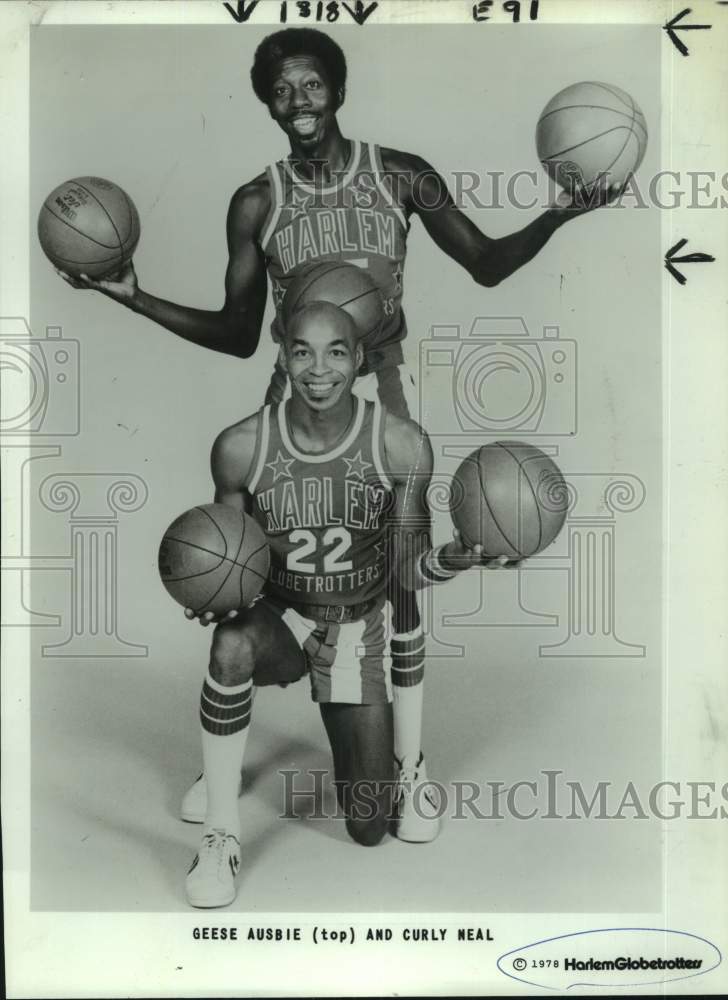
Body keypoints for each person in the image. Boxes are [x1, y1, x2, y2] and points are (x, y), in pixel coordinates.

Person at [55, 28, 616, 841]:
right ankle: (245, 708)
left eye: (312, 85)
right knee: (260, 573)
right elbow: (241, 332)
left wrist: (561, 213)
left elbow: (487, 263)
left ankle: (410, 768)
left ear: (339, 89)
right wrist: (129, 294)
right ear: (267, 103)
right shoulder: (258, 201)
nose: (299, 103)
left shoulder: (399, 176)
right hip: (295, 406)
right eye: (281, 90)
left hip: (379, 403)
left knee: (398, 576)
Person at [183, 300, 514, 908]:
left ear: (359, 359)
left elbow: (407, 572)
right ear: (283, 355)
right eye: (302, 351)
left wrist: (460, 558)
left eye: (336, 351)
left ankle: (400, 767)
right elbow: (232, 562)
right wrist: (216, 596)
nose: (318, 368)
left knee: (368, 826)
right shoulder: (240, 446)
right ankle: (220, 832)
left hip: (354, 629)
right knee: (229, 643)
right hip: (280, 616)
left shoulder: (400, 444)